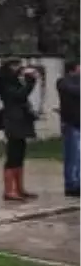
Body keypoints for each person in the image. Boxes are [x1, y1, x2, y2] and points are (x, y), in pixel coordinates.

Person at [0, 59, 40, 202]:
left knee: (20, 153)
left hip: (20, 120)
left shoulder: (15, 81)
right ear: (9, 67)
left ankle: (19, 188)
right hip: (13, 121)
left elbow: (23, 95)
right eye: (16, 65)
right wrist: (31, 82)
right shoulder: (5, 83)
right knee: (13, 155)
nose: (19, 68)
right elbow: (20, 96)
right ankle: (9, 191)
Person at [57, 60, 81, 198]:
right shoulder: (63, 82)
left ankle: (78, 182)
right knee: (73, 156)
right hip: (72, 124)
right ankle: (71, 185)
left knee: (79, 157)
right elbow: (76, 92)